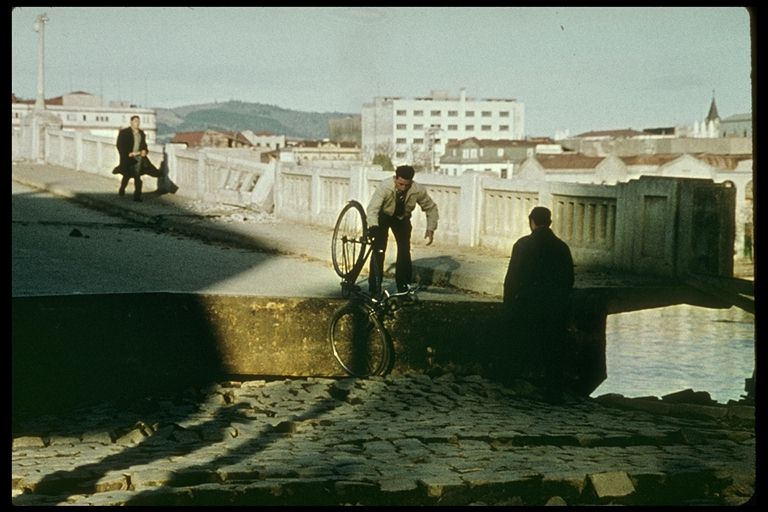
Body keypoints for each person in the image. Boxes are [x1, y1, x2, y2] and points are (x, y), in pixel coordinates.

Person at [503, 206, 574, 399]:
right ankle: (553, 389)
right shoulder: (561, 247)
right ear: (549, 223)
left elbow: (512, 279)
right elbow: (569, 279)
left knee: (523, 344)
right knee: (553, 348)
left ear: (531, 221)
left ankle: (519, 384)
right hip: (554, 306)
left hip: (528, 305)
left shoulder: (523, 245)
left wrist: (508, 305)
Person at [366, 165, 439, 295]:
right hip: (384, 216)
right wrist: (373, 226)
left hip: (401, 218)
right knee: (379, 249)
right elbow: (372, 209)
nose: (403, 188)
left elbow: (431, 208)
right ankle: (374, 287)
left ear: (411, 181)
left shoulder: (418, 189)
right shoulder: (385, 186)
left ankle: (403, 287)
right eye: (400, 184)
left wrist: (430, 228)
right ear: (395, 178)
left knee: (404, 250)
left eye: (407, 185)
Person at [112, 115, 169, 201]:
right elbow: (119, 145)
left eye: (138, 121)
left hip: (139, 158)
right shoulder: (124, 133)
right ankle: (122, 188)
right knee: (127, 175)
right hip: (128, 158)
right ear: (131, 122)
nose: (137, 123)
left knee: (137, 176)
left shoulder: (141, 133)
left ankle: (137, 196)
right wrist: (127, 154)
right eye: (135, 121)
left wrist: (144, 151)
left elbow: (144, 145)